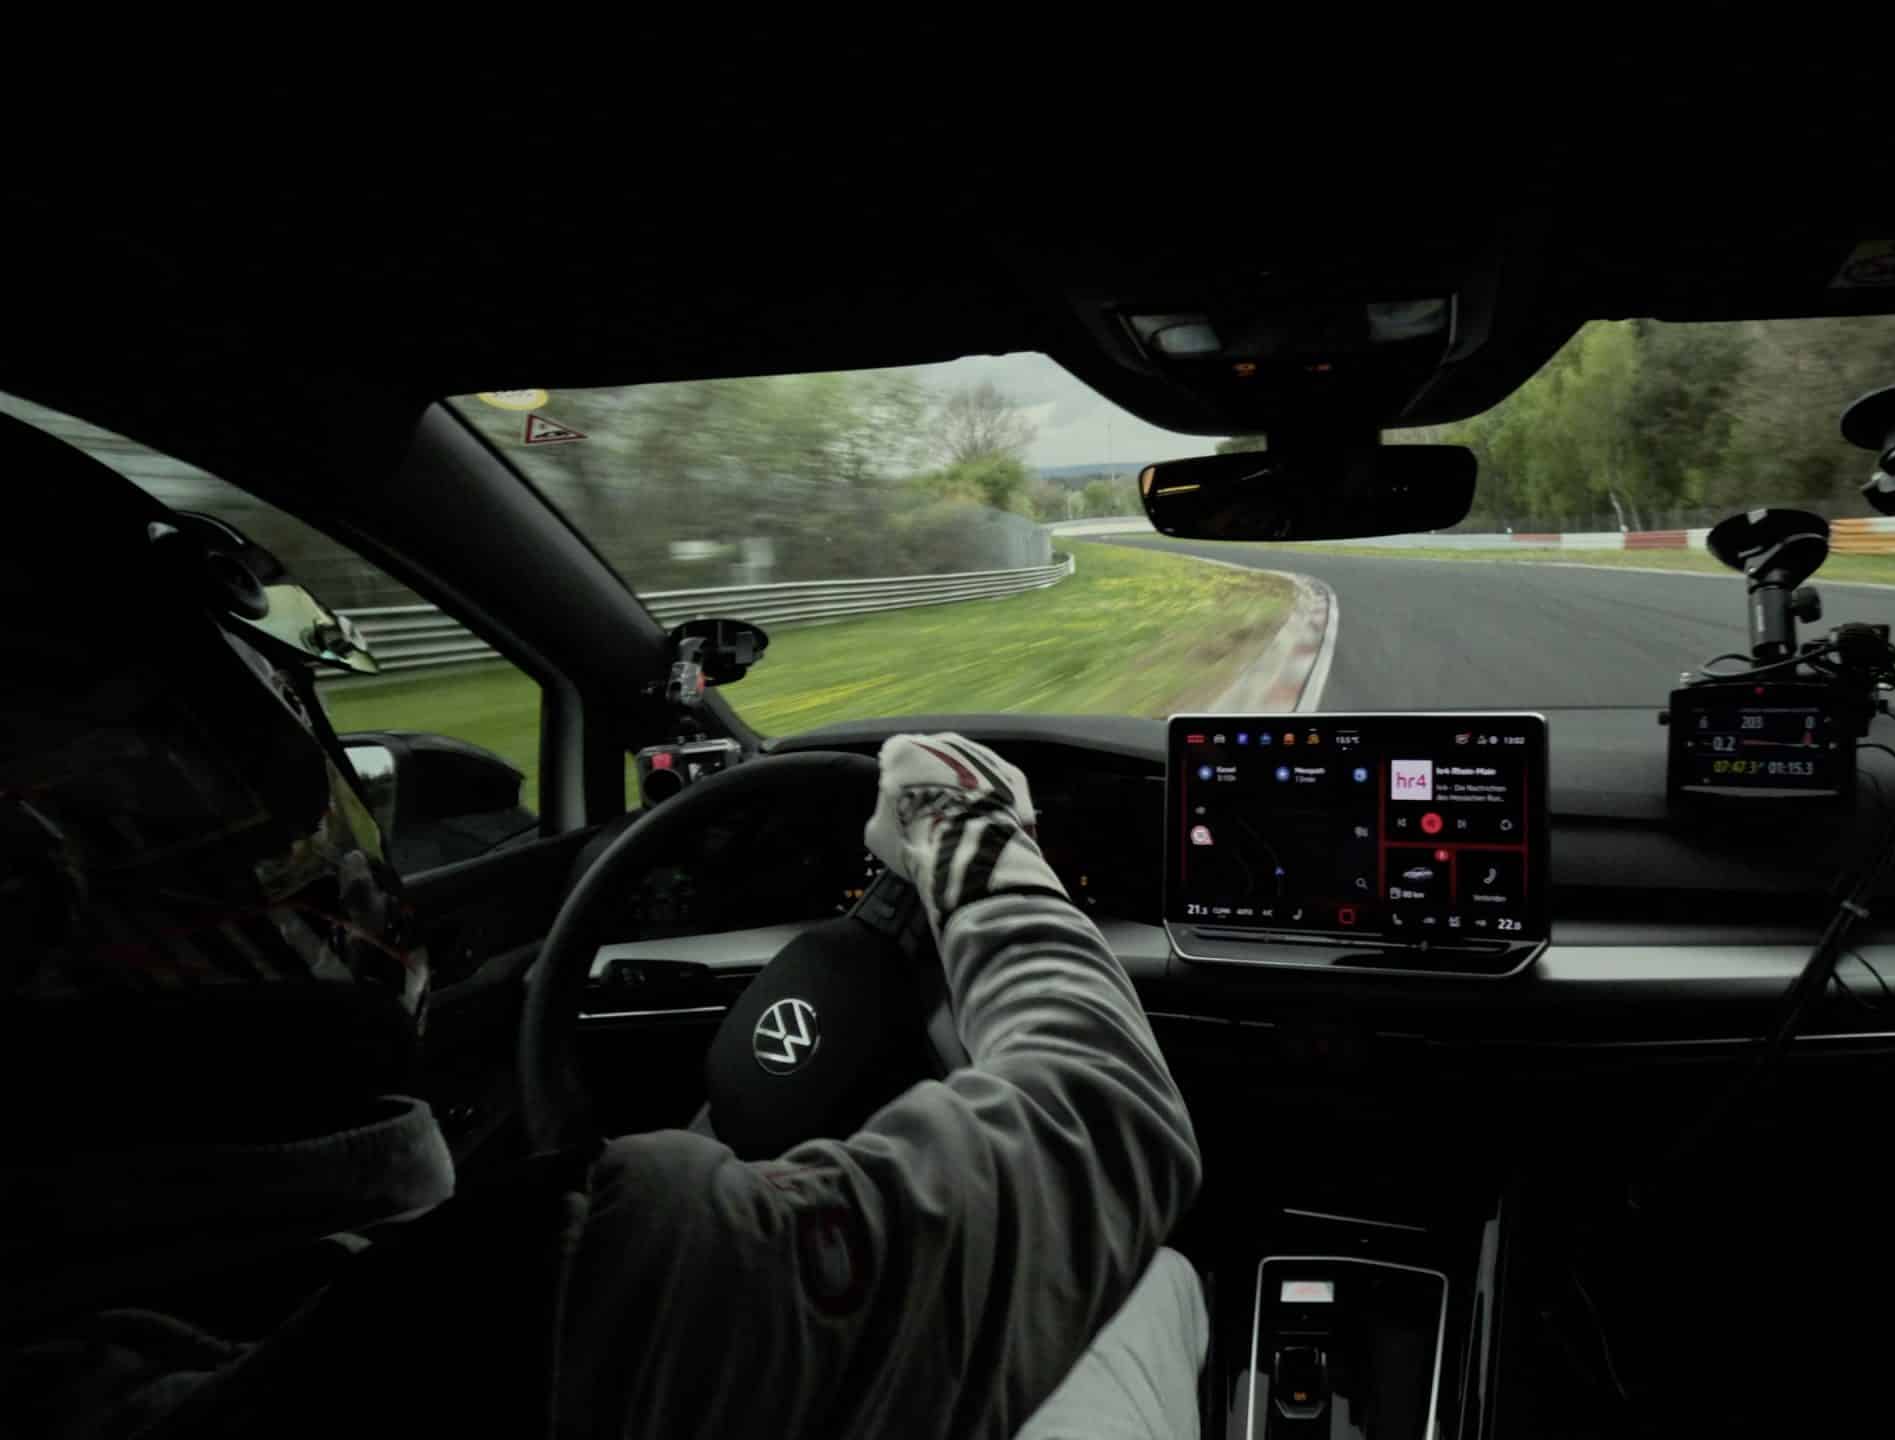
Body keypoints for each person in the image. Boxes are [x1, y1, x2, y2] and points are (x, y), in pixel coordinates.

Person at [0, 413, 1208, 1438]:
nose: (319, 843)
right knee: (1148, 1279)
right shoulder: (573, 1285)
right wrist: (965, 830)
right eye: (252, 800)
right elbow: (1109, 1123)